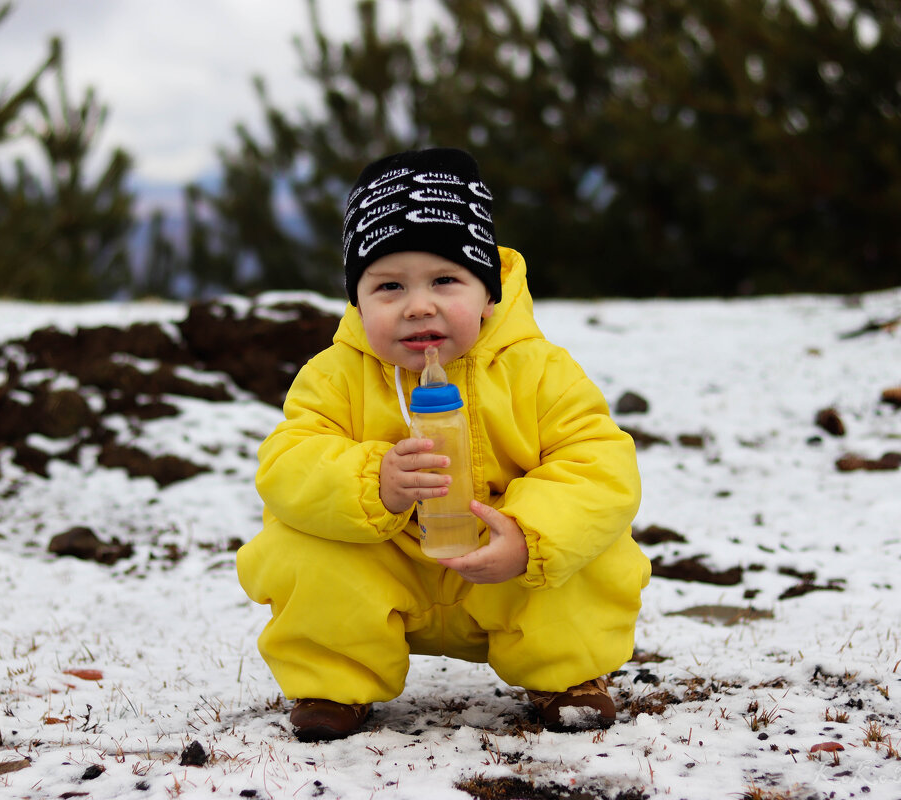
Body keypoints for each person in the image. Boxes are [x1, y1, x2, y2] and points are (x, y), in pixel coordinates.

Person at [236, 147, 650, 742]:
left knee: (587, 543)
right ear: (357, 299)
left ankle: (568, 678)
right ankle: (333, 685)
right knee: (304, 543)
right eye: (389, 286)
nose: (418, 304)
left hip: (505, 569)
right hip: (389, 563)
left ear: (488, 293)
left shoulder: (539, 371)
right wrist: (370, 480)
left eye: (445, 280)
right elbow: (287, 462)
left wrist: (530, 537)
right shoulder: (335, 376)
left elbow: (599, 465)